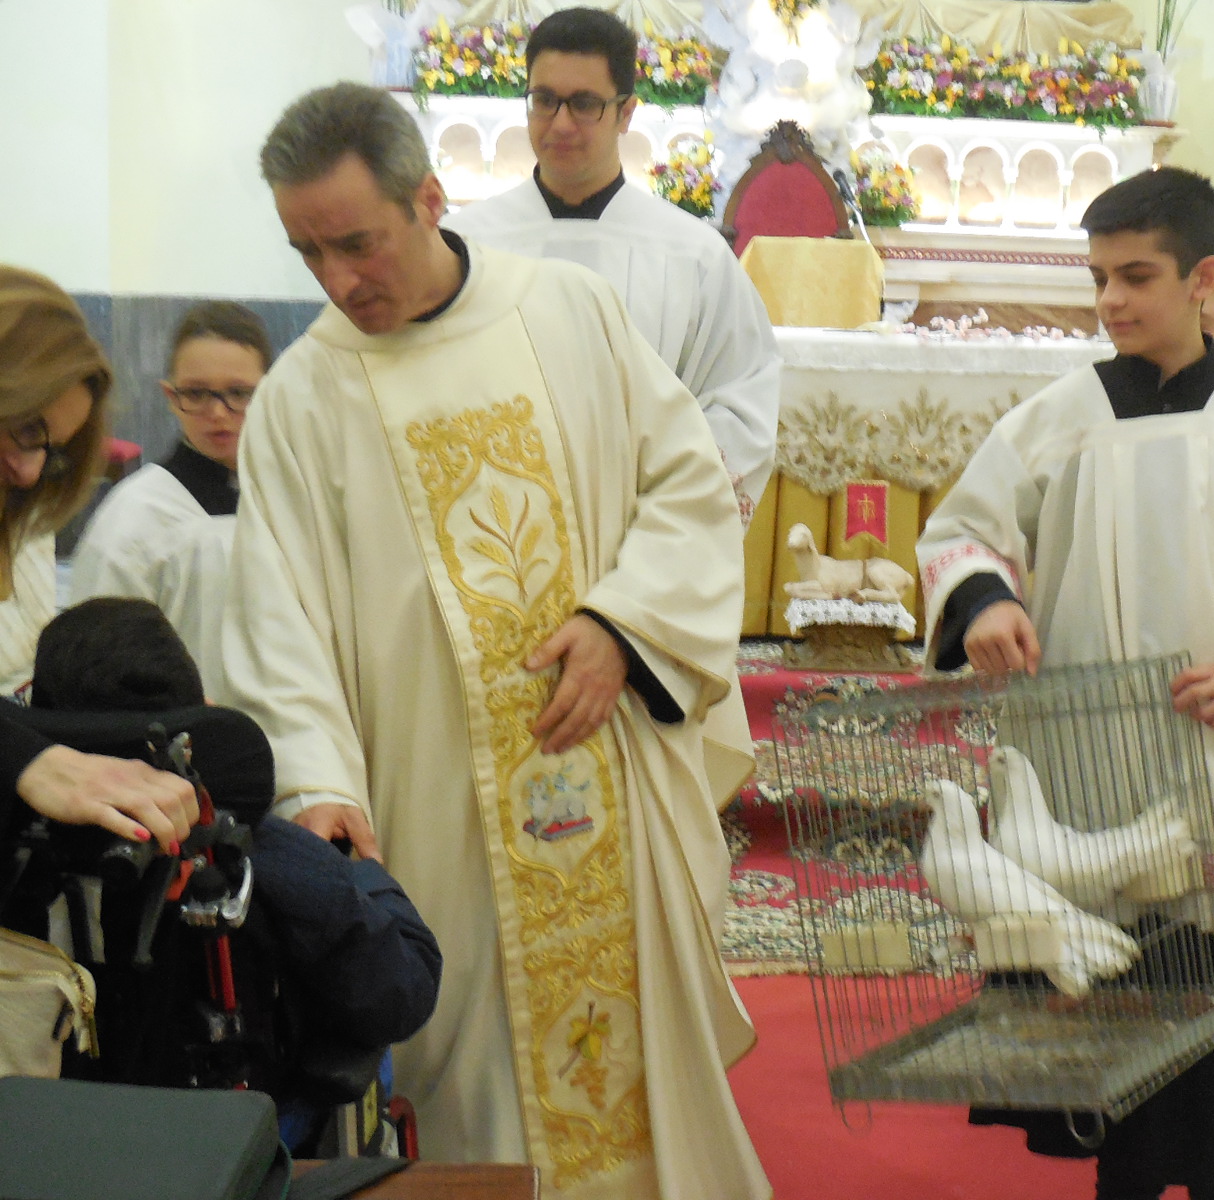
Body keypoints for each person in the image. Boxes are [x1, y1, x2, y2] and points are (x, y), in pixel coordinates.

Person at [221, 81, 765, 1196]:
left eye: (357, 243)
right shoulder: (302, 400)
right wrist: (320, 791)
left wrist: (626, 624)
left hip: (602, 769)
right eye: (306, 251)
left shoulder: (565, 313)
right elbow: (280, 627)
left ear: (428, 198)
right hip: (431, 822)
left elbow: (688, 487)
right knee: (468, 1099)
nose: (336, 280)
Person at [916, 168, 1214, 1200]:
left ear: (1201, 275)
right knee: (1111, 993)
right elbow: (959, 530)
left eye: (1136, 276)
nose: (1113, 301)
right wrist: (985, 602)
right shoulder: (1056, 418)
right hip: (1089, 764)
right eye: (1098, 279)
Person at [27, 596, 442, 1133]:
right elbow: (400, 994)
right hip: (237, 1157)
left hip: (41, 1150)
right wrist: (370, 877)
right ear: (201, 711)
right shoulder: (266, 856)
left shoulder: (20, 862)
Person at [445, 6, 780, 524]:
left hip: (643, 531)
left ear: (627, 113)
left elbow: (742, 398)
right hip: (497, 524)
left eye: (584, 104)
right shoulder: (468, 244)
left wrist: (659, 499)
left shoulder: (692, 255)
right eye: (544, 100)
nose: (560, 123)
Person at [0, 265, 197, 854]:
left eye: (52, 452)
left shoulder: (21, 528)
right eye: (28, 429)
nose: (30, 472)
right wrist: (29, 759)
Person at [70, 301, 272, 695]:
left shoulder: (291, 501)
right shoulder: (135, 521)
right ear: (169, 395)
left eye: (238, 393)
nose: (217, 412)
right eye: (196, 393)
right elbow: (98, 669)